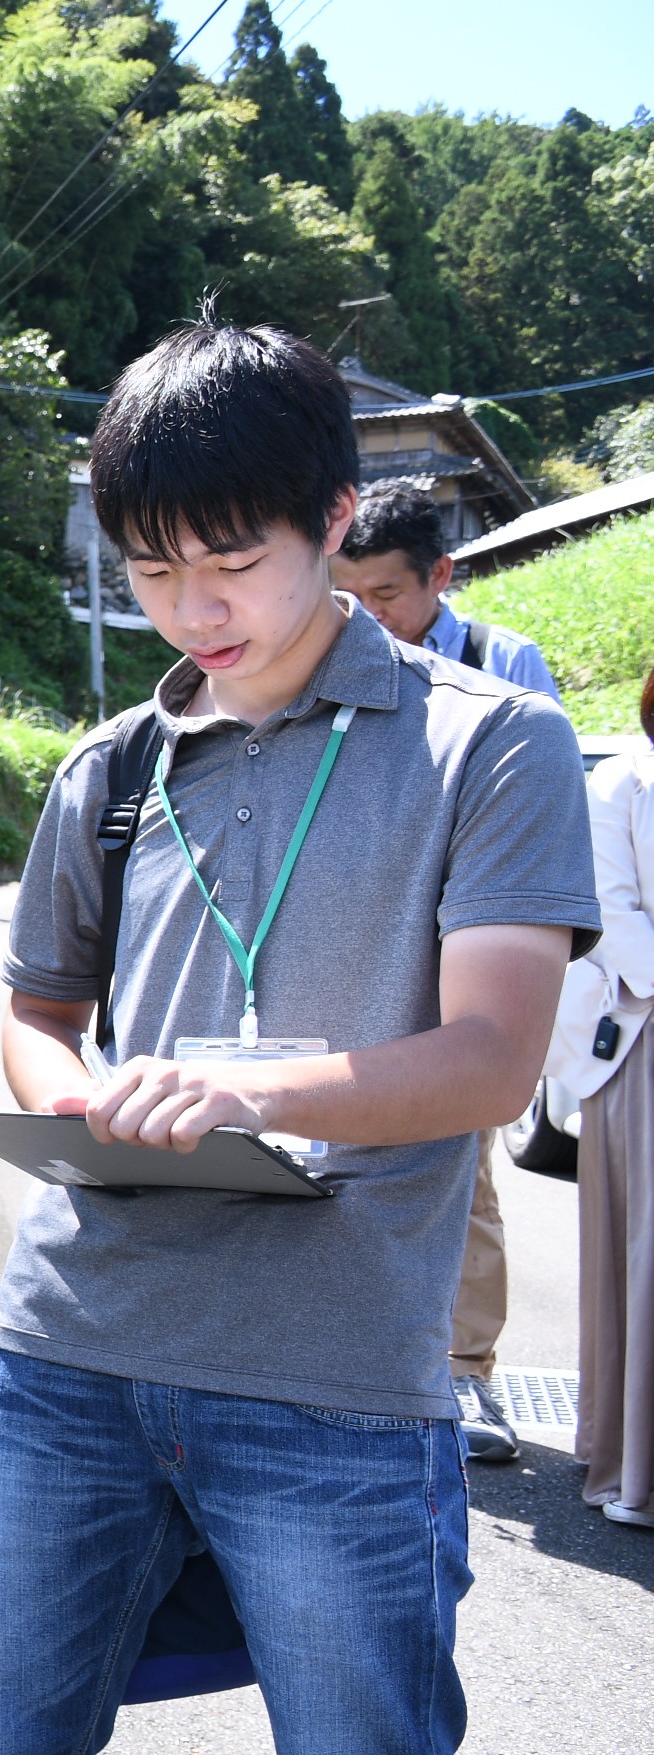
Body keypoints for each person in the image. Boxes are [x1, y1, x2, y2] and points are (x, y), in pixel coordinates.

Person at [0, 317, 596, 1755]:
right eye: (151, 571)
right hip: (71, 1357)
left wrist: (248, 1091)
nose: (191, 607)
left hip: (337, 1384)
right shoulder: (110, 767)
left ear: (336, 519)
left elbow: (492, 1061)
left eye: (229, 559)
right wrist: (81, 1102)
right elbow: (38, 1013)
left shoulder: (490, 747)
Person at [334, 475, 564, 1464]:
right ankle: (362, 1361)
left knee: (461, 1171)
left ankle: (466, 1374)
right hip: (353, 944)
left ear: (441, 575)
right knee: (333, 1157)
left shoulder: (507, 670)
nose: (366, 615)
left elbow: (532, 837)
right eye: (351, 593)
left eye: (385, 595)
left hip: (464, 950)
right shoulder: (329, 658)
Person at [552, 669, 654, 1529]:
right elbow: (613, 918)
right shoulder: (624, 778)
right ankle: (635, 1467)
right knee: (643, 1255)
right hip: (647, 1036)